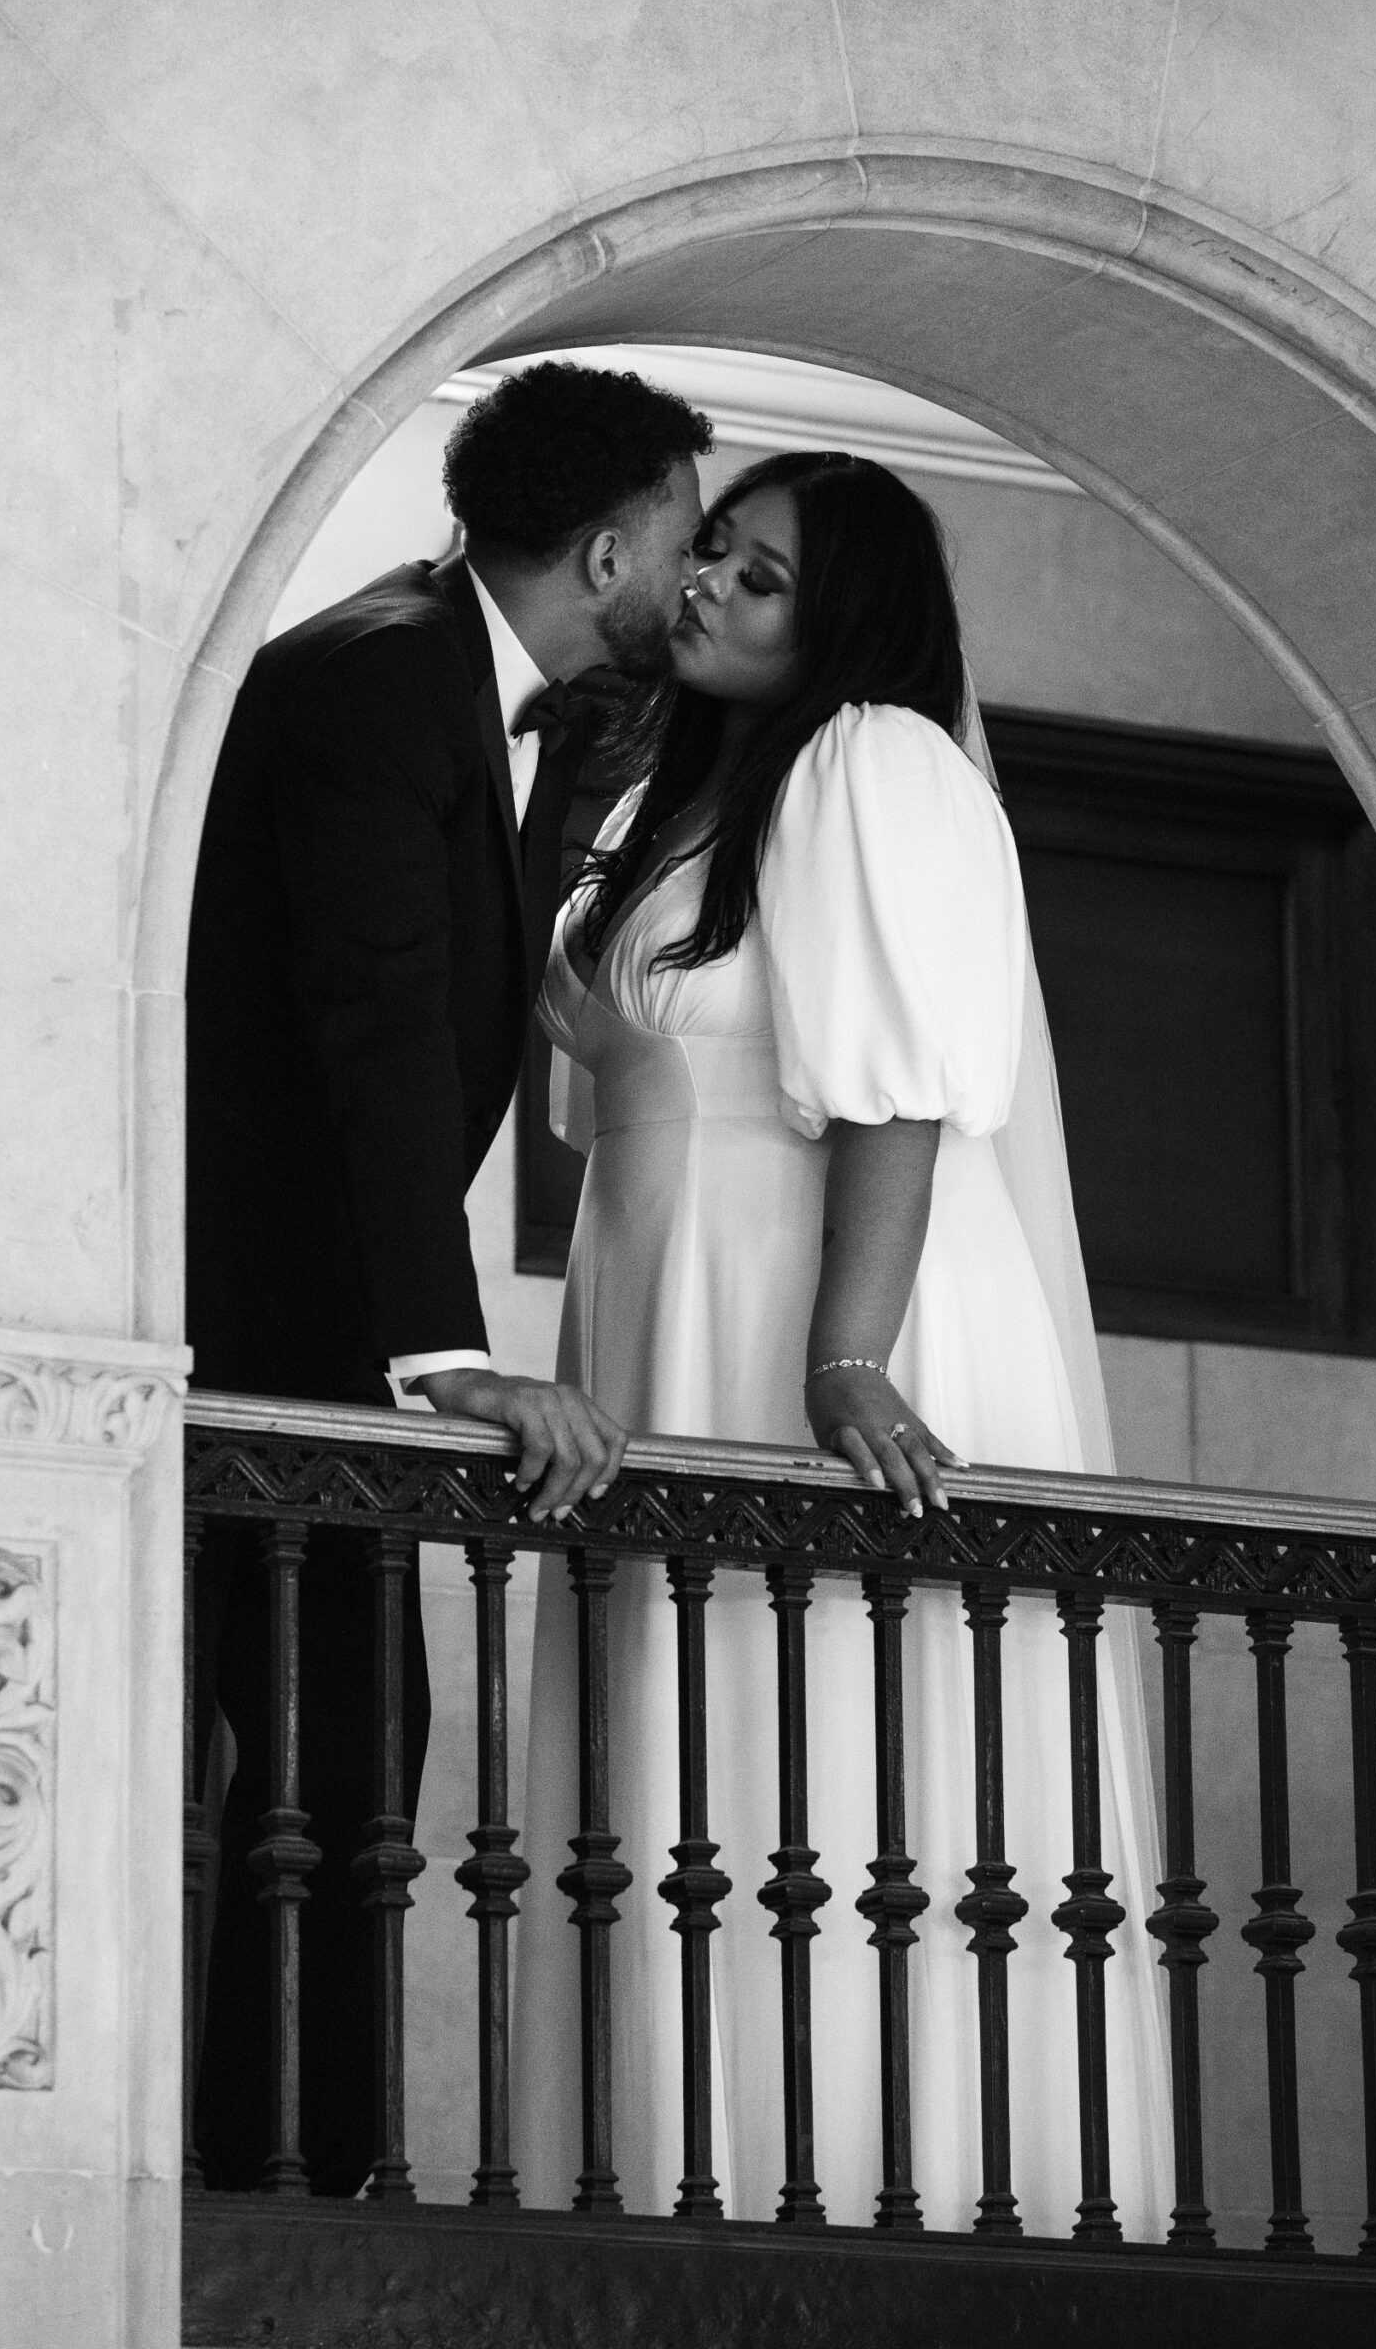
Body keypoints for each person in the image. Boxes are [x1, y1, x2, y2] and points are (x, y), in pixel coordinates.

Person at [511, 450, 1170, 2234]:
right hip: (665, 1303)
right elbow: (597, 1088)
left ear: (851, 622)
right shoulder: (675, 803)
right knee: (684, 1772)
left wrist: (846, 1357)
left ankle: (905, 2208)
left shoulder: (874, 761)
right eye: (713, 552)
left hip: (821, 1310)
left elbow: (903, 1095)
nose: (711, 585)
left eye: (765, 577)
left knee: (826, 1753)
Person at [186, 360, 712, 2191]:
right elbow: (373, 1024)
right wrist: (440, 1353)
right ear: (609, 549)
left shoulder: (453, 679)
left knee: (344, 1763)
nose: (691, 575)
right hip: (266, 1331)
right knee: (326, 1768)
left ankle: (288, 2171)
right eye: (681, 538)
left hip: (308, 1323)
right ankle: (279, 2193)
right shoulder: (385, 677)